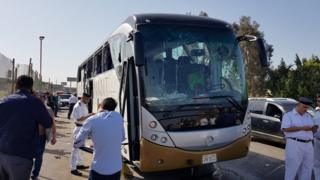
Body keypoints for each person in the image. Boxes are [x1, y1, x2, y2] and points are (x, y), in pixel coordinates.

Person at [0, 75, 52, 180]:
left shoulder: (3, 101)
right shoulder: (35, 102)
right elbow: (48, 123)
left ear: (16, 85)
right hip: (21, 156)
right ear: (31, 87)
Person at [74, 97, 125, 180]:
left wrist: (95, 143)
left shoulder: (92, 120)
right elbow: (122, 138)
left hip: (98, 169)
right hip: (116, 168)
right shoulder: (119, 117)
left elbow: (77, 143)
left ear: (101, 105)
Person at [281, 97, 317, 180]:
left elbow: (311, 128)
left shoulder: (308, 116)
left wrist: (313, 128)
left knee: (307, 169)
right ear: (298, 105)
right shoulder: (288, 115)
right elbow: (285, 129)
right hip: (294, 144)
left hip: (308, 145)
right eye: (304, 107)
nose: (306, 109)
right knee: (292, 169)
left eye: (307, 107)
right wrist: (302, 128)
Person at [31, 93, 57, 180]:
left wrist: (54, 136)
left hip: (41, 137)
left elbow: (53, 124)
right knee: (29, 156)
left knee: (39, 157)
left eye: (42, 98)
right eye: (38, 98)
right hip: (30, 137)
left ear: (44, 99)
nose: (40, 100)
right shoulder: (30, 108)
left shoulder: (48, 110)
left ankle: (35, 174)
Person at [70, 92, 94, 176]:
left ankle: (79, 164)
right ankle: (73, 168)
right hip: (78, 128)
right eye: (87, 99)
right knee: (75, 149)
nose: (88, 101)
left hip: (83, 128)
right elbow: (79, 119)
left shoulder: (84, 105)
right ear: (83, 97)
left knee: (81, 148)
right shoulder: (78, 106)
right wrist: (90, 115)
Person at [314, 94, 320, 180]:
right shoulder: (317, 112)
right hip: (317, 141)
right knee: (316, 163)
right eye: (318, 101)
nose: (319, 103)